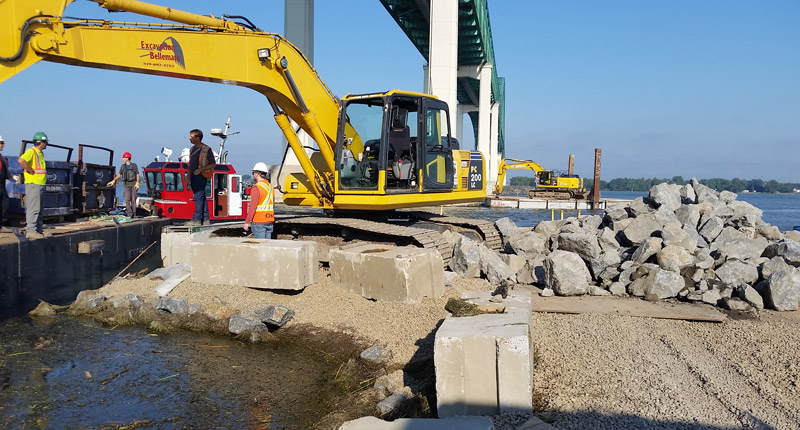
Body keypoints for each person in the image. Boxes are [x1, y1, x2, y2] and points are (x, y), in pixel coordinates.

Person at [18, 132, 48, 239]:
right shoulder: (31, 152)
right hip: (33, 184)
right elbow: (21, 160)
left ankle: (38, 230)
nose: (46, 144)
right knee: (33, 208)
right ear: (41, 142)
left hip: (40, 183)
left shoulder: (40, 153)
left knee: (39, 208)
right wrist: (30, 170)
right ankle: (31, 231)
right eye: (45, 142)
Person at [186, 129, 216, 226]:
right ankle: (206, 219)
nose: (189, 138)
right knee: (202, 197)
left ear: (197, 138)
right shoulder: (192, 149)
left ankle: (197, 219)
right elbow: (190, 165)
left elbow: (213, 164)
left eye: (191, 136)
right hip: (193, 176)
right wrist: (188, 177)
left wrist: (201, 169)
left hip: (201, 176)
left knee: (198, 197)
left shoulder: (206, 149)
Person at [243, 162, 274, 239]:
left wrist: (247, 222)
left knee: (260, 247)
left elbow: (253, 206)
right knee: (267, 246)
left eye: (253, 173)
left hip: (259, 221)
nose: (253, 174)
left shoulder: (257, 187)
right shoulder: (270, 187)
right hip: (269, 220)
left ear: (257, 173)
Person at [107, 151, 140, 218]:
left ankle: (134, 213)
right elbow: (119, 174)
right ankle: (129, 214)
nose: (123, 159)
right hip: (126, 184)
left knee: (133, 199)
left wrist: (137, 182)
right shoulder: (122, 167)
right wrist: (114, 180)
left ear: (127, 158)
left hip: (133, 183)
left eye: (124, 157)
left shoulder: (134, 165)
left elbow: (137, 174)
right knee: (127, 199)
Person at [0, 135, 11, 233]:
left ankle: (2, 224)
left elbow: (4, 170)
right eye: (1, 143)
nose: (3, 145)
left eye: (2, 143)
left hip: (1, 184)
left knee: (4, 203)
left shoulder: (2, 157)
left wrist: (11, 176)